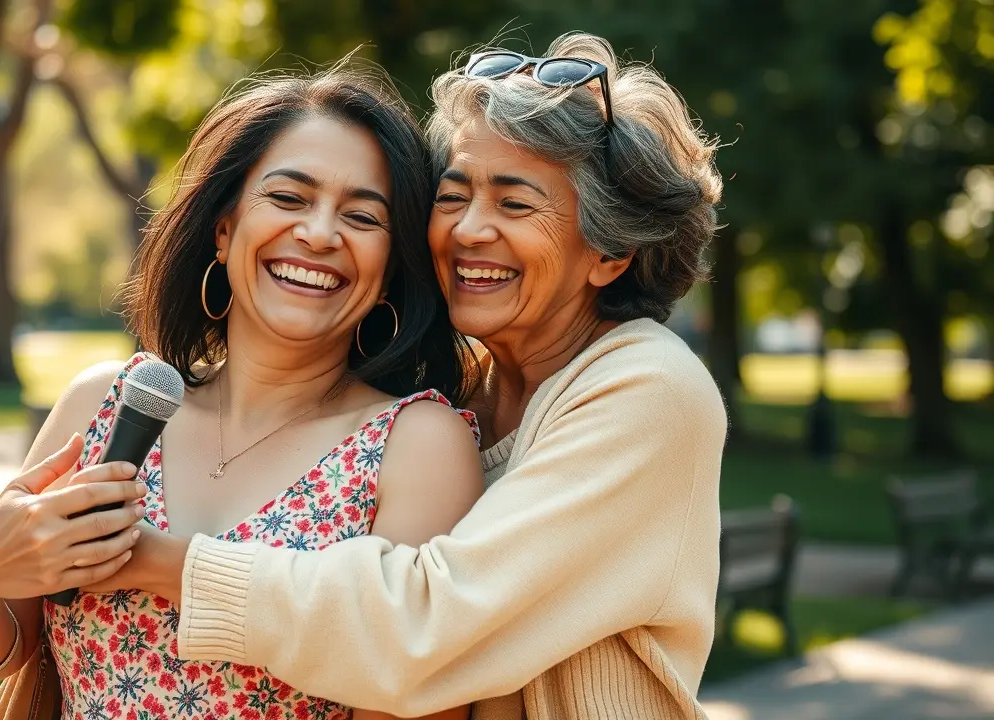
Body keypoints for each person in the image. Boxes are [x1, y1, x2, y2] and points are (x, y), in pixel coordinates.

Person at [107, 31, 729, 719]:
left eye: (514, 205)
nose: (467, 230)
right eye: (453, 196)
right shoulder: (466, 389)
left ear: (609, 254)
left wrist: (153, 560)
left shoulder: (649, 390)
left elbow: (428, 627)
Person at [0, 62, 485, 720]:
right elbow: (3, 651)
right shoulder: (105, 403)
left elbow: (409, 682)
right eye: (289, 198)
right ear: (224, 231)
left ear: (391, 269)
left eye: (363, 216)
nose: (319, 233)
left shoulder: (416, 445)